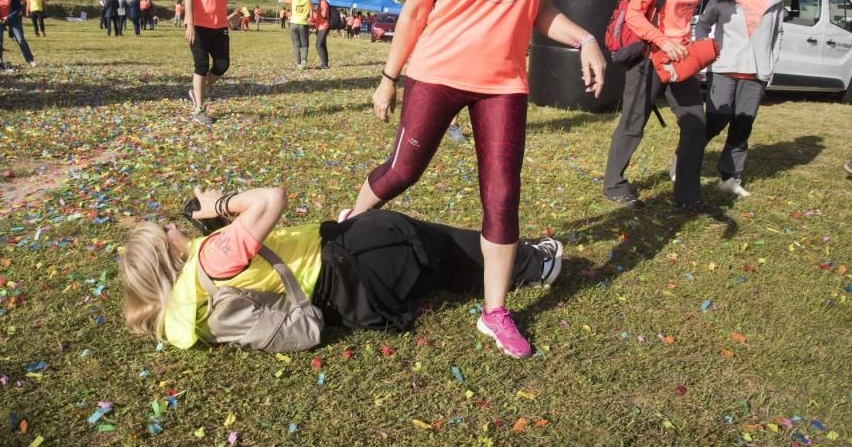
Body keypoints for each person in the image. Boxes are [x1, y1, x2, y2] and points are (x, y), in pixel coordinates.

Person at [339, 0, 604, 360]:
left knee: (503, 198)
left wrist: (585, 39)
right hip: (435, 70)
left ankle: (495, 312)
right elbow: (414, 10)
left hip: (503, 82)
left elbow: (543, 11)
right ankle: (344, 234)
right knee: (401, 171)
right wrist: (389, 78)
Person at [119, 185, 564, 351]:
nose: (174, 228)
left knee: (441, 268)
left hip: (354, 301)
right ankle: (536, 262)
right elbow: (272, 199)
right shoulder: (211, 253)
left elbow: (253, 265)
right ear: (167, 254)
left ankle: (525, 266)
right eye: (165, 230)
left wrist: (216, 222)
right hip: (355, 259)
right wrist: (218, 201)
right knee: (441, 241)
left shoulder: (191, 302)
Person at [602, 0, 717, 214]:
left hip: (682, 60)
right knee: (633, 123)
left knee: (695, 124)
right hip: (649, 58)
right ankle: (613, 184)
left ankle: (688, 195)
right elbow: (634, 15)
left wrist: (685, 44)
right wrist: (663, 40)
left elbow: (684, 15)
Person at [694, 0, 786, 198]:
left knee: (742, 126)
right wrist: (705, 48)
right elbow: (702, 25)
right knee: (714, 121)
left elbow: (778, 32)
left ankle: (729, 178)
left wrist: (770, 62)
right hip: (724, 68)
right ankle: (684, 161)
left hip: (755, 73)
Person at [183, 0, 241, 126]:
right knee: (201, 66)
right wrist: (189, 23)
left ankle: (196, 90)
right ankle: (199, 108)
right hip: (198, 24)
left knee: (222, 65)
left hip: (219, 25)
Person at [286, 0, 312, 69]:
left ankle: (298, 63)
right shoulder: (308, 0)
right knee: (304, 45)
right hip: (303, 23)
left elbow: (286, 1)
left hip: (293, 23)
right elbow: (311, 15)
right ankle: (304, 62)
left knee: (296, 45)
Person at [312, 0, 331, 69]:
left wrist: (318, 11)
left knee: (318, 45)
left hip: (324, 26)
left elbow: (324, 15)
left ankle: (324, 64)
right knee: (322, 45)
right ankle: (325, 64)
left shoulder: (323, 2)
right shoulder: (320, 3)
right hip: (320, 26)